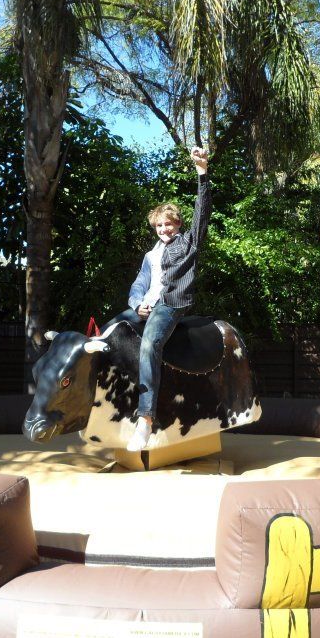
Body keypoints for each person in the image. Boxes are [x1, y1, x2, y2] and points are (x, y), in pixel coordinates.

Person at [104, 146, 211, 451]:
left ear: (177, 224)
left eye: (169, 224)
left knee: (151, 343)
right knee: (108, 332)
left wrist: (202, 173)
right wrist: (136, 304)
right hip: (145, 305)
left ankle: (146, 420)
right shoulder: (151, 254)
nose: (164, 229)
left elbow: (202, 212)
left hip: (171, 304)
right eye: (160, 225)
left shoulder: (188, 243)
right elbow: (139, 284)